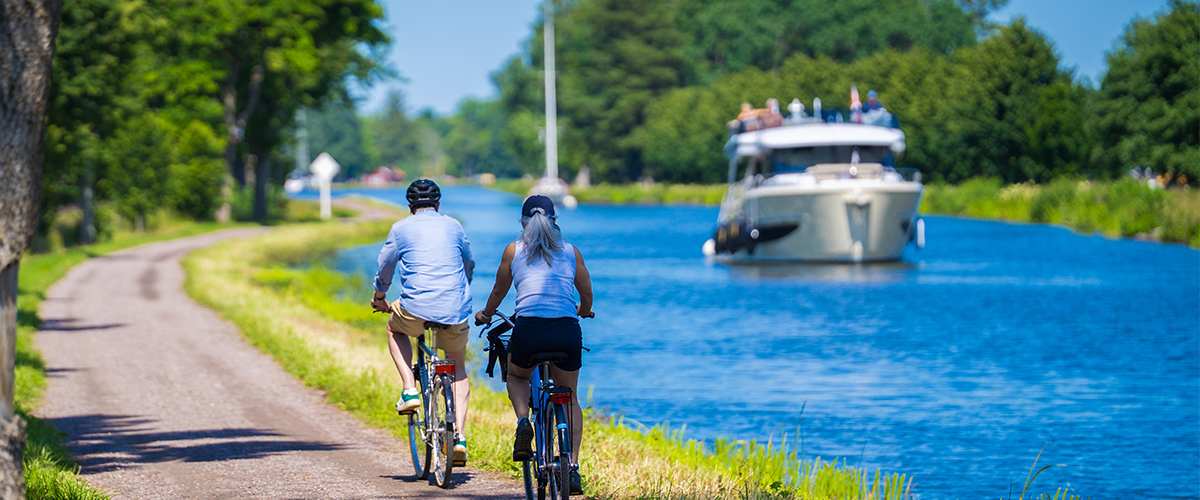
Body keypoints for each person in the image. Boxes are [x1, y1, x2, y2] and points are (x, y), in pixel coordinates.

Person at [475, 195, 593, 495]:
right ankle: (574, 466)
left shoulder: (513, 251)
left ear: (523, 223)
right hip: (566, 331)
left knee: (517, 375)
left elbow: (499, 291)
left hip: (529, 330)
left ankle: (524, 421)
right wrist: (582, 310)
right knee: (570, 396)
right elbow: (586, 291)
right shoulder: (571, 251)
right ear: (555, 221)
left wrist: (485, 315)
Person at [371, 179, 476, 466]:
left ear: (410, 206)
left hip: (416, 307)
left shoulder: (401, 228)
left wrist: (380, 296)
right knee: (458, 367)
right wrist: (461, 286)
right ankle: (460, 437)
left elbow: (385, 267)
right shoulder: (453, 225)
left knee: (394, 328)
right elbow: (469, 262)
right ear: (438, 205)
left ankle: (409, 390)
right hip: (455, 307)